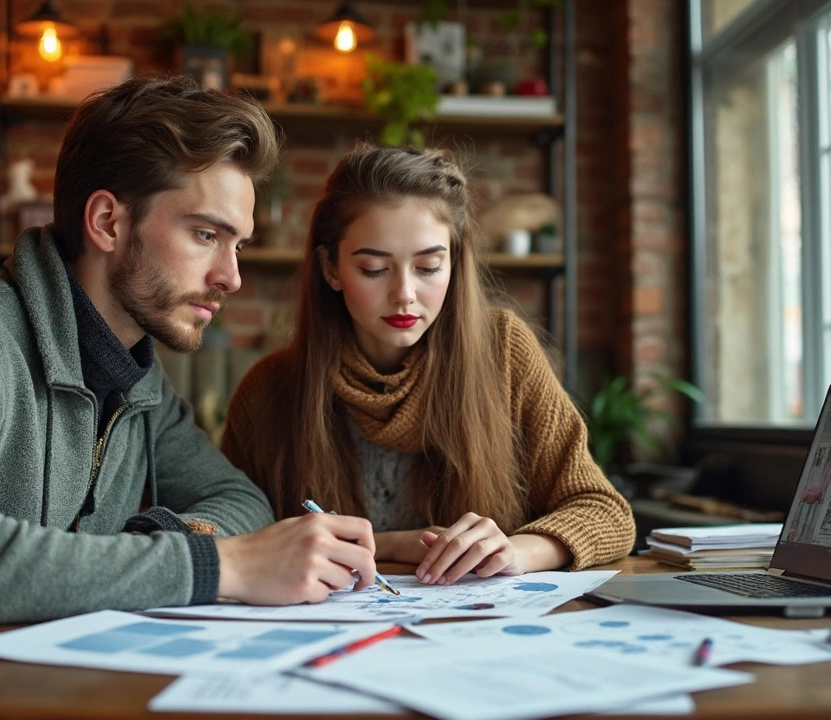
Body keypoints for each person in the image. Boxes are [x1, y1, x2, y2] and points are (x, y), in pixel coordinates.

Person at [0, 76, 378, 720]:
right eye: (205, 235)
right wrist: (220, 565)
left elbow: (238, 499)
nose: (232, 277)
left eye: (237, 244)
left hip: (32, 695)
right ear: (108, 221)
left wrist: (158, 540)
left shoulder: (137, 376)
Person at [222, 143, 635, 587]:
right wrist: (391, 543)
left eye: (429, 266)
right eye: (375, 269)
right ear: (331, 269)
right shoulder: (268, 392)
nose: (404, 293)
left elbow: (605, 511)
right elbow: (230, 534)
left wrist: (516, 550)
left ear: (454, 264)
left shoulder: (505, 352)